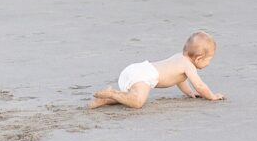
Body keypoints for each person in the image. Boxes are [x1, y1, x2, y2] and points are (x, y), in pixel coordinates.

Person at [88, 31, 224, 108]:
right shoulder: (188, 65)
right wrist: (212, 96)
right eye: (209, 59)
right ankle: (112, 93)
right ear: (199, 58)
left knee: (131, 97)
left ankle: (105, 99)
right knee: (138, 102)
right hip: (144, 75)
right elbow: (200, 85)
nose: (209, 63)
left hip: (136, 70)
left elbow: (180, 80)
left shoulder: (179, 58)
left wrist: (190, 93)